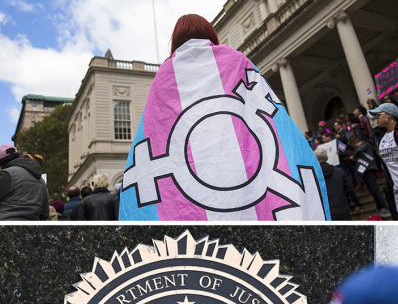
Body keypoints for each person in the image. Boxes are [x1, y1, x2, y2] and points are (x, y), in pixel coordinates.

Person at [119, 14, 327, 221]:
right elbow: (271, 116)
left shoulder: (164, 75)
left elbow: (155, 132)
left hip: (192, 189)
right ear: (210, 32)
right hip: (243, 171)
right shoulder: (236, 59)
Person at [0, 144, 48, 221]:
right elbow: (44, 214)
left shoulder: (7, 175)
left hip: (3, 228)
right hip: (31, 230)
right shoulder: (41, 181)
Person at [348, 137, 389, 218]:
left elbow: (359, 151)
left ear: (356, 143)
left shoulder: (365, 145)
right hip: (365, 170)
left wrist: (354, 156)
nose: (354, 148)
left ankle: (384, 207)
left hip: (370, 169)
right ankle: (379, 207)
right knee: (372, 190)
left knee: (375, 190)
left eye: (353, 146)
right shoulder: (363, 148)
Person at [315, 148, 351, 221]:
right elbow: (349, 189)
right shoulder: (339, 171)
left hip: (325, 212)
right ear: (327, 158)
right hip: (342, 208)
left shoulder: (313, 176)